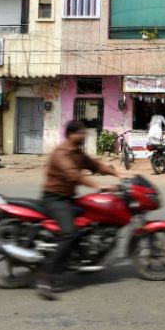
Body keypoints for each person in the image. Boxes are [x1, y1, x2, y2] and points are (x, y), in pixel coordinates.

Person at [36, 120, 125, 301]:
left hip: (68, 199)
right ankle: (45, 278)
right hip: (55, 199)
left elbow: (95, 165)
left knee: (92, 219)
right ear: (71, 134)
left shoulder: (77, 153)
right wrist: (100, 186)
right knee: (69, 233)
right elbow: (74, 175)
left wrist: (118, 174)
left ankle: (82, 259)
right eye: (81, 133)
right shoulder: (62, 153)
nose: (84, 136)